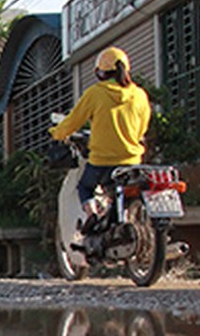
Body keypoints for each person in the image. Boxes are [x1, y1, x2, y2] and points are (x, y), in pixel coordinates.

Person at [48, 46, 152, 221]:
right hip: (133, 162)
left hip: (103, 162)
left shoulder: (96, 94)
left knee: (85, 187)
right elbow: (142, 128)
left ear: (101, 72)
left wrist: (56, 133)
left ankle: (92, 217)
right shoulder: (140, 95)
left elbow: (73, 121)